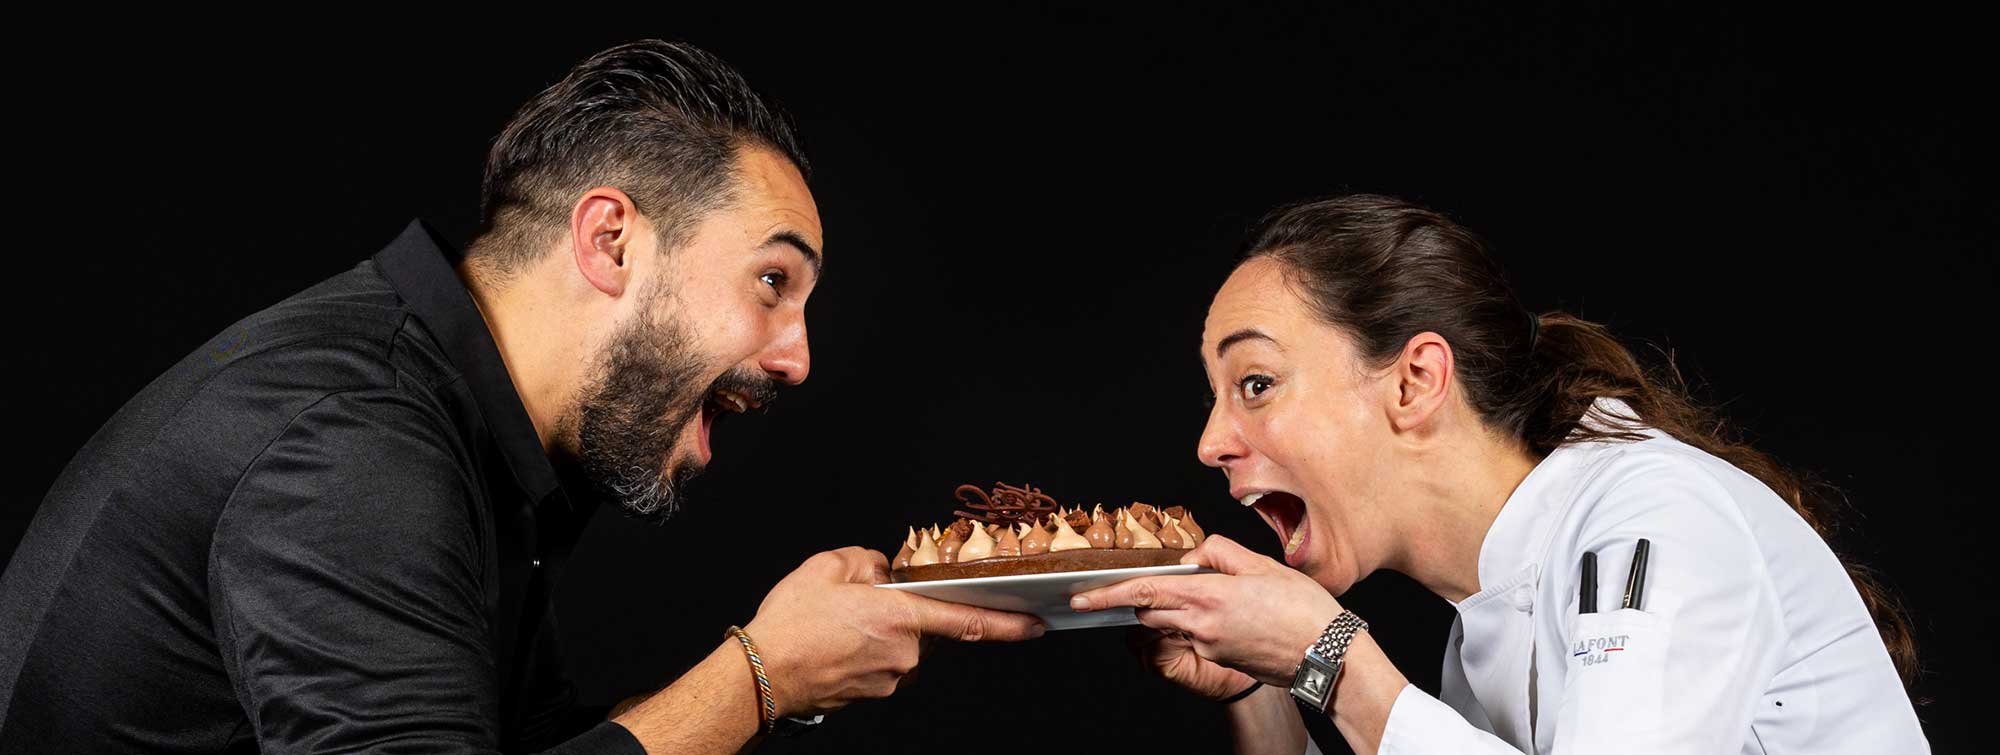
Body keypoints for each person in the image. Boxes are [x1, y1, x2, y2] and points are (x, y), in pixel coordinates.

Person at [0, 40, 1043, 755]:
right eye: (771, 281)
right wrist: (758, 674)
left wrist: (789, 669)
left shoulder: (471, 431)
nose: (797, 358)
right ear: (609, 239)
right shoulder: (353, 438)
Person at [1071, 194, 1928, 753]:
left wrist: (1331, 656)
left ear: (1415, 381)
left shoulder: (1658, 517)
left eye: (1256, 383)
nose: (1211, 440)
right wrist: (1269, 694)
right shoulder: (1478, 636)